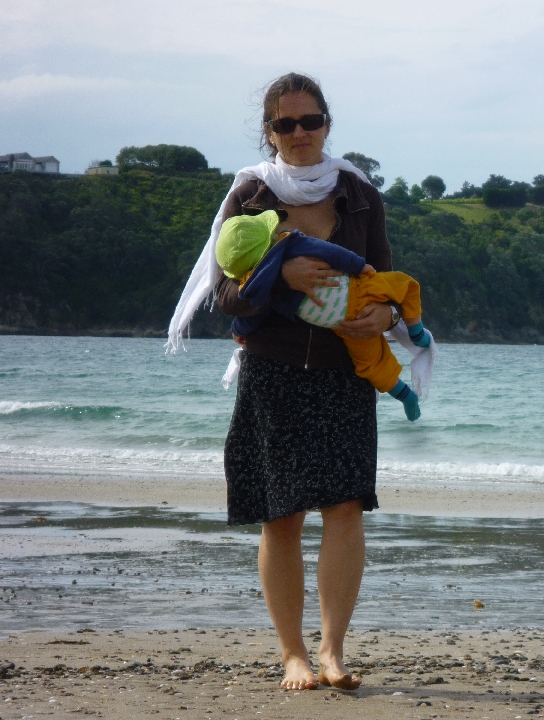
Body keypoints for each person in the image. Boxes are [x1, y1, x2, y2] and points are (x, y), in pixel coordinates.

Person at [165, 72, 398, 691]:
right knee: (282, 515)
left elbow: (384, 282)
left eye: (310, 121)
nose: (299, 133)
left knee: (345, 508)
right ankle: (293, 654)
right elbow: (226, 297)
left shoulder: (361, 195)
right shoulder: (249, 195)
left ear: (327, 124)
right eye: (285, 123)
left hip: (344, 372)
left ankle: (332, 651)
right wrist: (281, 277)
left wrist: (386, 316)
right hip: (272, 371)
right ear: (269, 131)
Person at [215, 210, 432, 420]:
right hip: (360, 291)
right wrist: (358, 265)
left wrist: (238, 329)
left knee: (372, 366)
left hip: (343, 325)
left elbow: (253, 316)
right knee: (407, 286)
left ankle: (407, 396)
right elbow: (329, 252)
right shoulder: (290, 243)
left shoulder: (256, 288)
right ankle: (417, 333)